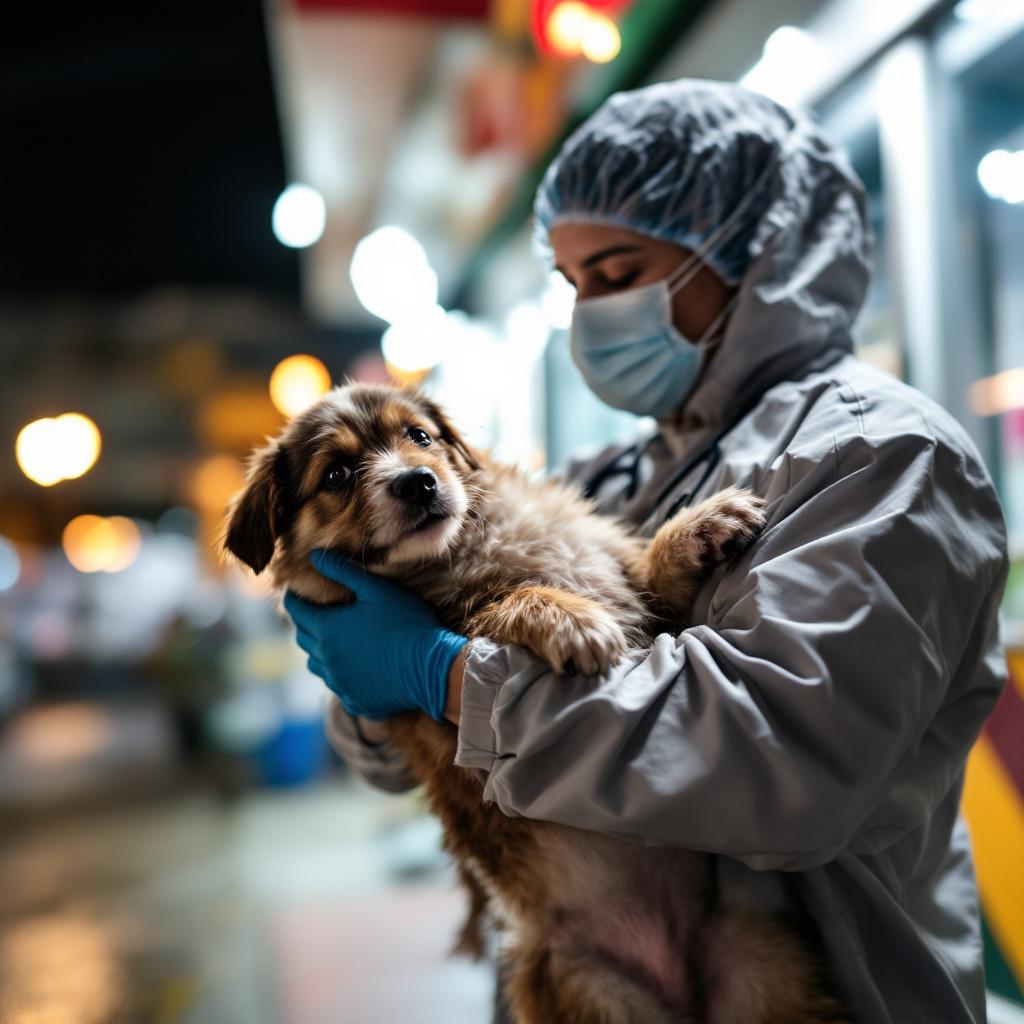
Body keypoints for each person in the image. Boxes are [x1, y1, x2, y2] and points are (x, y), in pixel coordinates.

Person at [286, 79, 1008, 1022]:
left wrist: (451, 679)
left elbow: (777, 768)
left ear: (755, 251)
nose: (591, 314)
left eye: (618, 274)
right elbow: (389, 761)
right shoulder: (619, 471)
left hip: (814, 983)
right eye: (574, 284)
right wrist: (368, 683)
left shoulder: (881, 454)